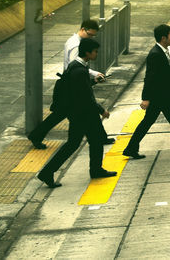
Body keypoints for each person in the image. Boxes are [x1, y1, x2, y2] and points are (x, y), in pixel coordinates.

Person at [37, 38, 114, 188]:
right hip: (83, 113)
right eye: (95, 52)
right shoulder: (79, 70)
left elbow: (80, 88)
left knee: (92, 141)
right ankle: (47, 172)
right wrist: (101, 110)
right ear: (87, 52)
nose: (97, 54)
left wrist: (94, 81)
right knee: (76, 144)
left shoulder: (76, 66)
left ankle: (96, 169)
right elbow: (85, 96)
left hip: (78, 112)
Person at [122, 25, 170, 159]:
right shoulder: (155, 54)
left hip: (161, 96)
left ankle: (131, 148)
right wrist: (145, 98)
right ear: (163, 38)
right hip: (160, 97)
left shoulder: (163, 51)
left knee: (147, 122)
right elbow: (150, 78)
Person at [28, 20, 110, 149]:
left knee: (62, 114)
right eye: (90, 35)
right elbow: (76, 66)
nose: (91, 38)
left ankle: (100, 138)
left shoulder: (72, 40)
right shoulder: (76, 46)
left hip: (69, 83)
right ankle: (36, 136)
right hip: (71, 85)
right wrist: (94, 75)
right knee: (70, 114)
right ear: (83, 29)